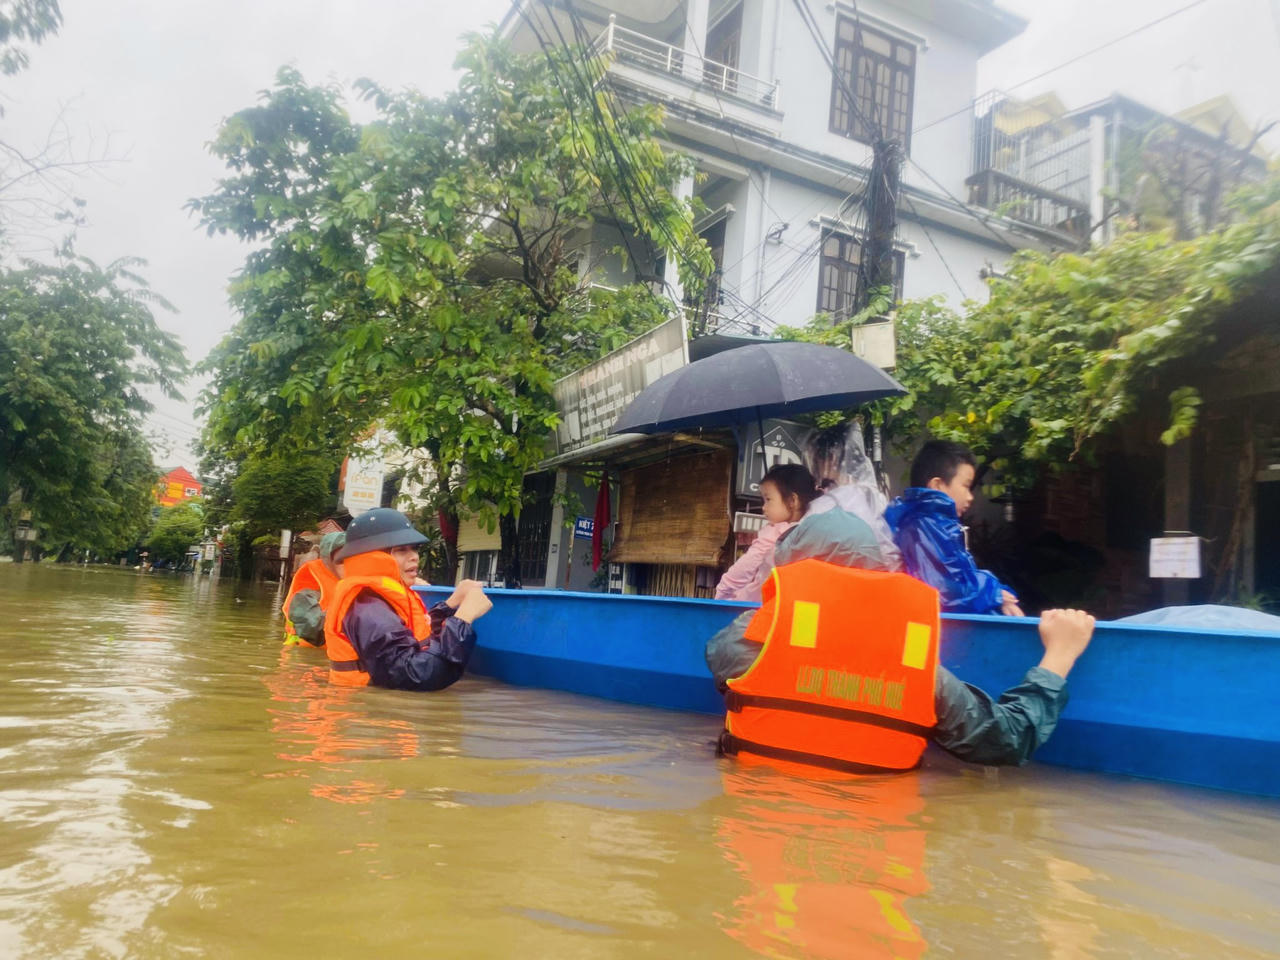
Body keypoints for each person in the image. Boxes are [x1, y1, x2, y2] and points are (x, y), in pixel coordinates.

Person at [707, 508, 1095, 769]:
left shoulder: (751, 637)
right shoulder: (916, 666)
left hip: (758, 831)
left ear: (794, 568)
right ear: (877, 572)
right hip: (877, 845)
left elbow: (718, 657)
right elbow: (1007, 739)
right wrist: (1059, 657)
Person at [325, 508, 491, 690]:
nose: (415, 557)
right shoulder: (369, 608)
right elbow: (416, 676)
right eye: (401, 550)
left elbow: (414, 637)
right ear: (373, 557)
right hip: (369, 705)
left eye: (414, 548)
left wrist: (449, 605)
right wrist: (463, 620)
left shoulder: (377, 600)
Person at [885, 439, 1023, 616]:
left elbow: (960, 582)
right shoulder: (919, 527)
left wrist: (997, 592)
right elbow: (942, 592)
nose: (970, 497)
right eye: (966, 486)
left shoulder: (937, 525)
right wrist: (993, 592)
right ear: (937, 485)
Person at [716, 464, 820, 603]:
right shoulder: (815, 530)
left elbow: (744, 568)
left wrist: (722, 592)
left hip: (754, 606)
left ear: (792, 501)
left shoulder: (774, 534)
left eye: (768, 499)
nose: (764, 507)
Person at [282, 530, 346, 647]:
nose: (349, 561)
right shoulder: (310, 582)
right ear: (327, 558)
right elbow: (312, 629)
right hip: (305, 656)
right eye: (342, 557)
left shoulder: (353, 580)